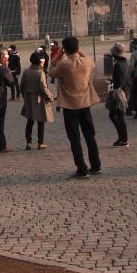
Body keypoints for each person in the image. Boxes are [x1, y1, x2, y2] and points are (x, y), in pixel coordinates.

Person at [48, 36, 101, 179]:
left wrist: (59, 56)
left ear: (64, 49)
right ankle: (96, 166)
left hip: (70, 105)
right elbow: (91, 61)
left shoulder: (64, 65)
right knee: (90, 136)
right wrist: (78, 51)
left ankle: (81, 168)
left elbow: (51, 71)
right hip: (85, 103)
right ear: (77, 48)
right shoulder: (87, 62)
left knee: (75, 138)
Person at [20, 50, 54, 150]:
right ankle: (40, 142)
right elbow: (43, 88)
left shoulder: (26, 71)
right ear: (40, 61)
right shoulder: (40, 73)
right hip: (38, 100)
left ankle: (28, 142)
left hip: (28, 99)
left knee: (29, 121)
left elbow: (22, 86)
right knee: (41, 121)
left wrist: (25, 96)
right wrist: (50, 97)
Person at [108, 43, 129, 146]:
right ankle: (122, 137)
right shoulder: (125, 63)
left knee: (117, 116)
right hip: (124, 90)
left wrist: (112, 85)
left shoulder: (117, 65)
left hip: (118, 92)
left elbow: (117, 80)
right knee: (118, 115)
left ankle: (123, 138)